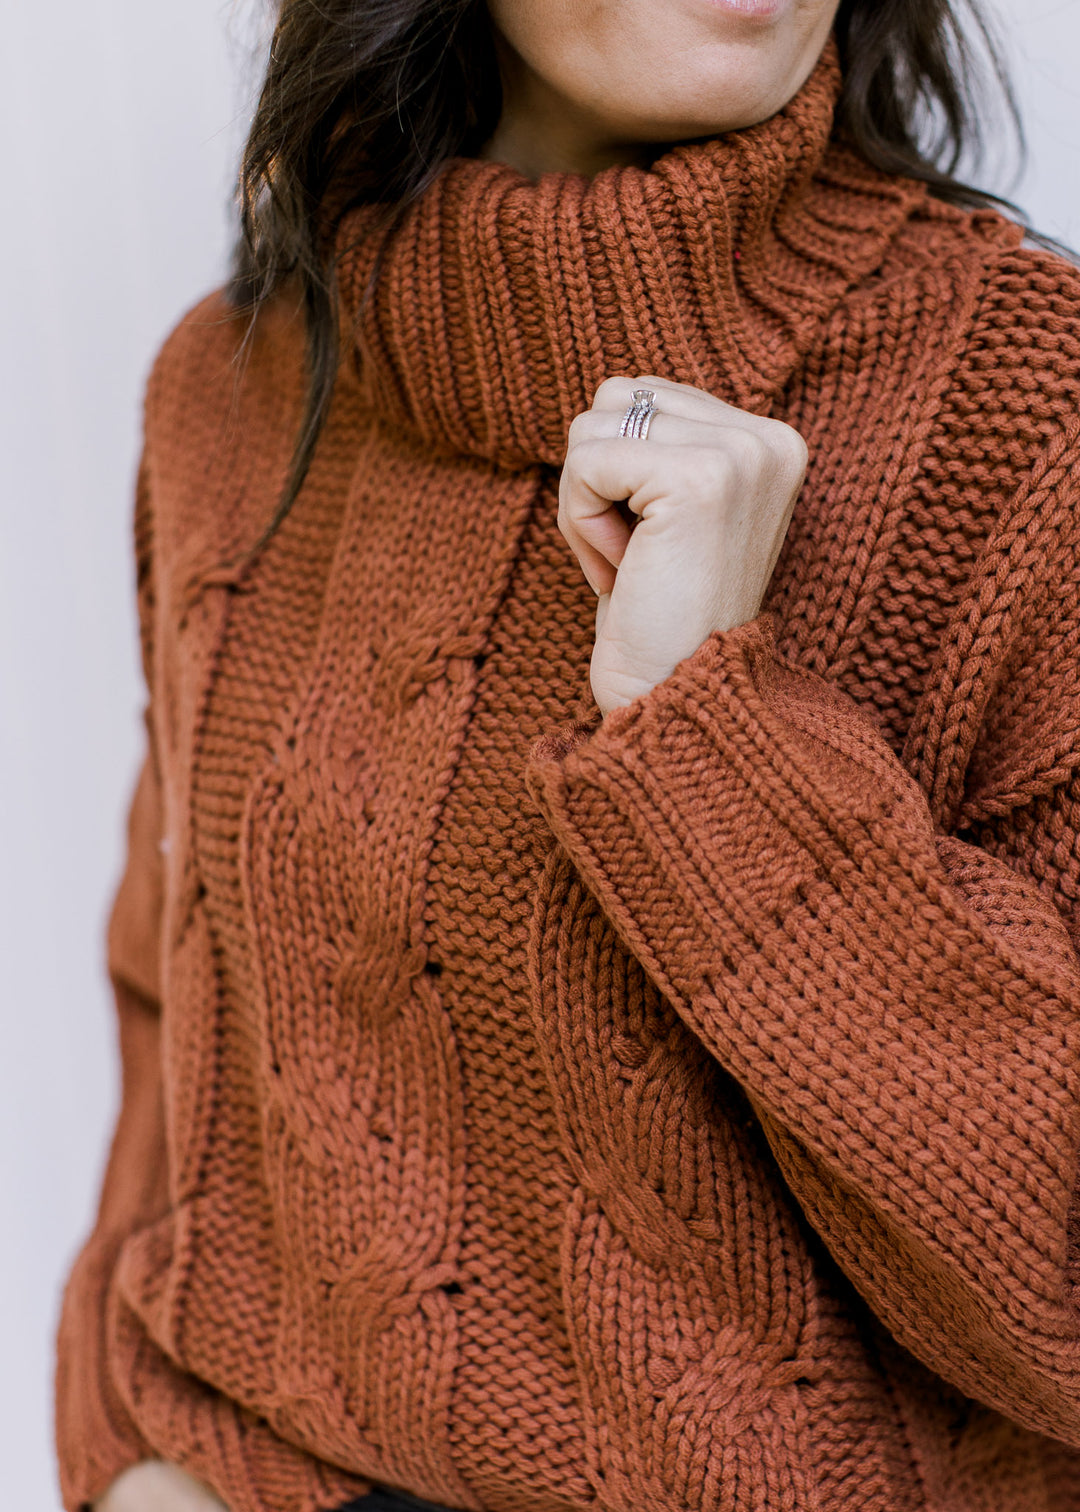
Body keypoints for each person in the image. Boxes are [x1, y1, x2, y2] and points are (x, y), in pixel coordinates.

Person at [55, 0, 1080, 1508]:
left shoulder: (1029, 414)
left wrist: (707, 729)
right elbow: (180, 1014)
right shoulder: (227, 382)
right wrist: (121, 1450)